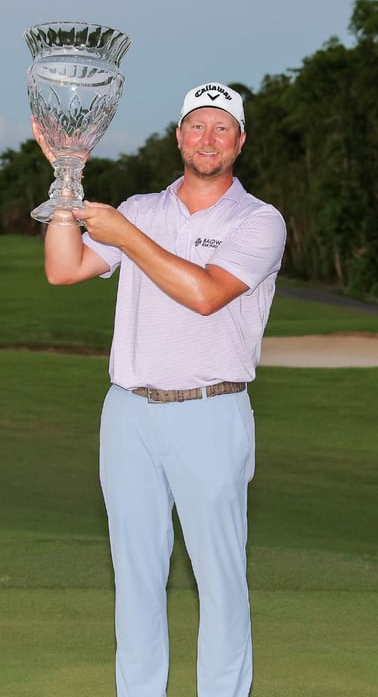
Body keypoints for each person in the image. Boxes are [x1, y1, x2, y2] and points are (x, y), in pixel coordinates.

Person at [35, 81, 286, 697]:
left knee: (219, 579)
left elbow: (206, 294)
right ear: (179, 136)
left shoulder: (259, 221)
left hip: (211, 409)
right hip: (129, 413)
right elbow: (64, 268)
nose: (208, 138)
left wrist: (124, 235)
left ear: (240, 141)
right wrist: (67, 182)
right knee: (136, 577)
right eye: (197, 126)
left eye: (222, 127)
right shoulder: (141, 209)